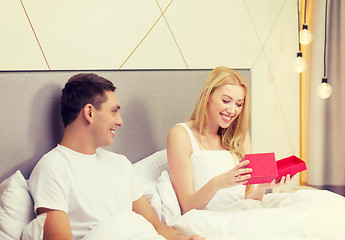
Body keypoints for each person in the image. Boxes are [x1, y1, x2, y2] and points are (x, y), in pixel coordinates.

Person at [28, 73, 204, 240]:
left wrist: (185, 238)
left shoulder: (120, 164)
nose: (120, 121)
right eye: (114, 111)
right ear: (89, 112)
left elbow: (155, 227)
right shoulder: (53, 167)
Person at [167, 66, 291, 214]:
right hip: (208, 219)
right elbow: (186, 207)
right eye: (226, 101)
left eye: (239, 104)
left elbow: (247, 198)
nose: (233, 110)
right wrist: (218, 183)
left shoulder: (241, 137)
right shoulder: (181, 134)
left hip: (241, 214)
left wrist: (262, 187)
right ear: (207, 95)